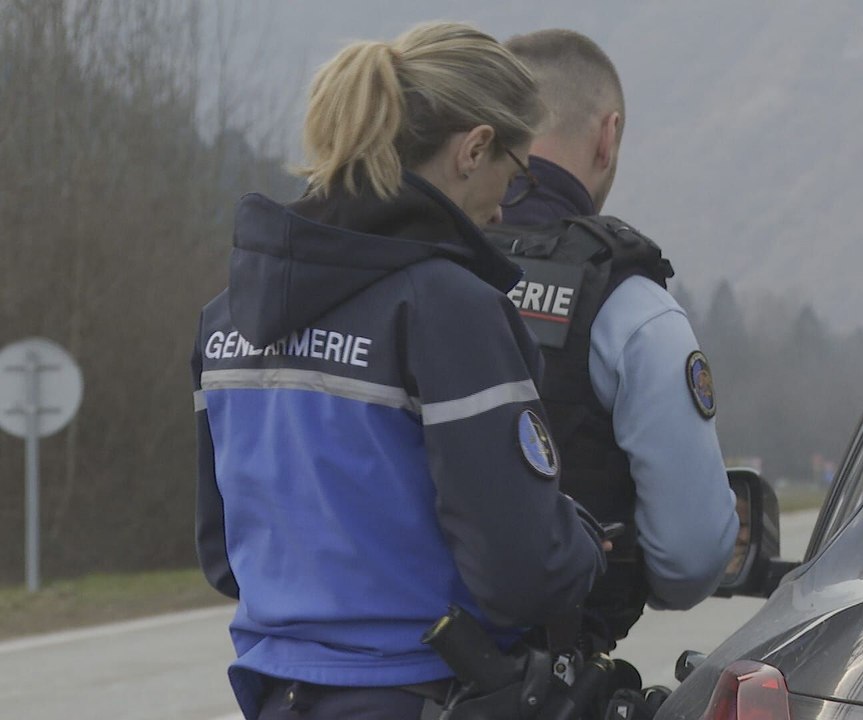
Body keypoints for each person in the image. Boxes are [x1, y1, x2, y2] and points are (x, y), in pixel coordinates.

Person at [191, 22, 607, 720]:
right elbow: (522, 570)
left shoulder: (225, 319)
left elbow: (223, 555)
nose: (506, 203)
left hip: (277, 694)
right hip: (423, 692)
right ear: (474, 148)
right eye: (516, 168)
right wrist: (588, 546)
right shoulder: (450, 310)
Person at [495, 29, 739, 648]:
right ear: (607, 136)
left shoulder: (408, 266)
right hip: (544, 679)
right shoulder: (632, 311)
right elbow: (689, 561)